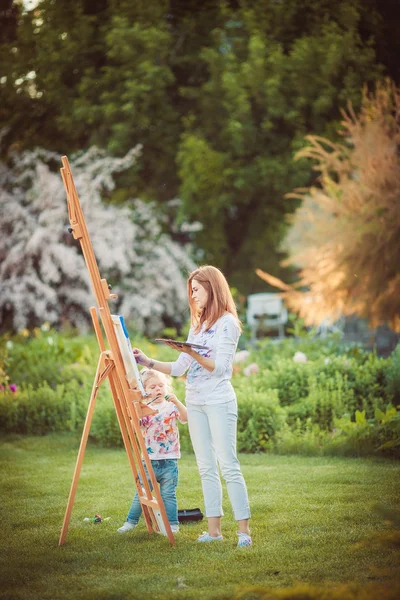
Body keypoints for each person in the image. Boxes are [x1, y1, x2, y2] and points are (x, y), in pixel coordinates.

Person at [132, 265, 252, 547]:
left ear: (211, 287)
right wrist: (147, 362)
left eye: (196, 290)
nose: (194, 296)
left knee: (228, 464)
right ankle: (214, 532)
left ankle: (244, 533)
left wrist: (190, 352)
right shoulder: (197, 325)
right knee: (205, 466)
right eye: (192, 291)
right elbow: (177, 368)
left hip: (219, 400)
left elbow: (220, 368)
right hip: (195, 400)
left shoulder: (228, 323)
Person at [117, 368, 187, 534]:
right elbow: (136, 429)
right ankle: (131, 522)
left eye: (161, 386)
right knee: (141, 494)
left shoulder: (171, 406)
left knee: (168, 494)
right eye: (153, 387)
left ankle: (172, 525)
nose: (158, 389)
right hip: (149, 459)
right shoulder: (144, 408)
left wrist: (177, 402)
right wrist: (134, 414)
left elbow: (185, 418)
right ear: (145, 391)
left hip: (169, 460)